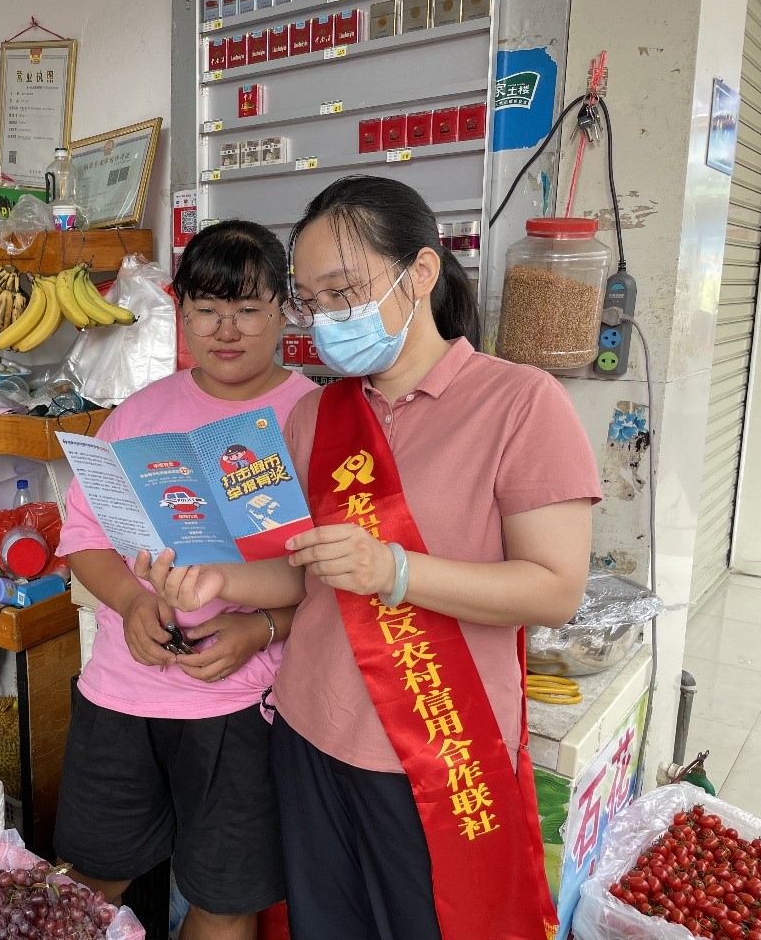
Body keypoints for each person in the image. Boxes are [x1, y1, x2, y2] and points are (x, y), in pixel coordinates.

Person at [136, 176, 602, 940]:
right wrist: (215, 579)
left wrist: (396, 571)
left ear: (419, 274)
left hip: (434, 744)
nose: (326, 318)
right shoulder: (319, 410)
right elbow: (303, 570)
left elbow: (553, 589)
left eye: (343, 291)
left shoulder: (520, 402)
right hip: (308, 730)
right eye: (312, 301)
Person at [52, 220, 318, 940]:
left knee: (225, 898)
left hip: (241, 703)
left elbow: (338, 574)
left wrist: (260, 628)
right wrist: (133, 601)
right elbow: (82, 537)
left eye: (248, 308)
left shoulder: (318, 418)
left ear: (285, 310)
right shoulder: (138, 415)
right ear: (180, 312)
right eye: (205, 309)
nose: (224, 330)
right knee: (91, 878)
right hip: (121, 693)